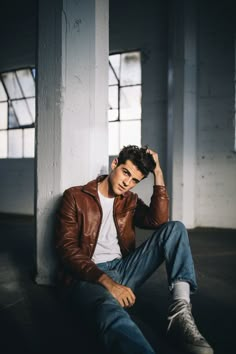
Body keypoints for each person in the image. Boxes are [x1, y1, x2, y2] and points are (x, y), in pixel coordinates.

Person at [56, 145, 213, 354]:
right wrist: (108, 283)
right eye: (125, 173)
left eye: (134, 181)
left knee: (175, 228)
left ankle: (179, 314)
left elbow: (158, 221)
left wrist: (158, 172)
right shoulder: (75, 197)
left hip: (124, 268)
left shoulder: (129, 200)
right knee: (109, 311)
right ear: (115, 164)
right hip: (88, 276)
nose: (126, 183)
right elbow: (66, 250)